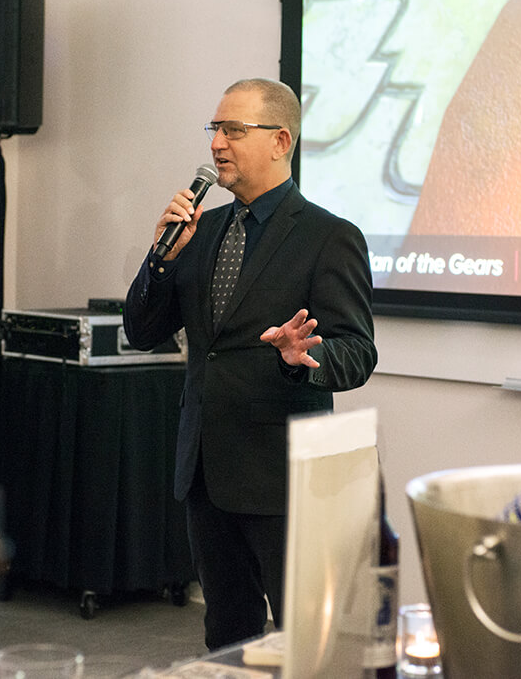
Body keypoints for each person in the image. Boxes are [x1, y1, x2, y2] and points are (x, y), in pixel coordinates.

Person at [123, 78, 378, 649]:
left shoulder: (329, 237)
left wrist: (302, 356)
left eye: (234, 130)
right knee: (226, 636)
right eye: (215, 129)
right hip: (206, 473)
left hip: (282, 479)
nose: (218, 144)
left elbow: (358, 353)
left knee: (302, 638)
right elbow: (140, 332)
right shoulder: (201, 229)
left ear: (280, 140)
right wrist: (159, 258)